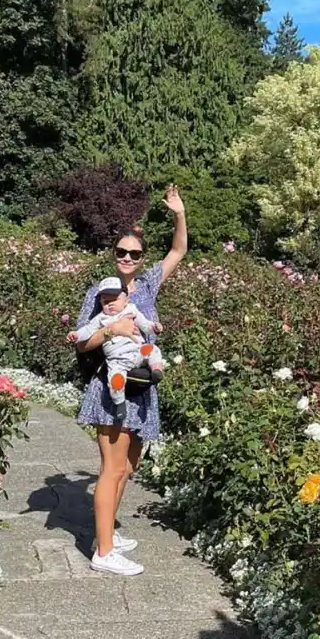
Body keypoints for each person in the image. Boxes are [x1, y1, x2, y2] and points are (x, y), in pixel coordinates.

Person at [74, 186, 187, 576]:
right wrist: (113, 330)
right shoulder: (100, 291)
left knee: (127, 468)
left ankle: (107, 533)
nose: (126, 258)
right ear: (113, 255)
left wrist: (179, 215)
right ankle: (103, 552)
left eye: (134, 253)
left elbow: (178, 252)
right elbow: (81, 340)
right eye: (121, 252)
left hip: (142, 386)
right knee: (112, 467)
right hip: (112, 387)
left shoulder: (150, 283)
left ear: (142, 258)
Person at [73, 277, 164, 410]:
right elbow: (86, 332)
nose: (110, 304)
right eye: (105, 301)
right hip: (117, 360)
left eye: (114, 300)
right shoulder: (100, 319)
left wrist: (154, 327)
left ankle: (156, 370)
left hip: (137, 351)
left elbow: (145, 325)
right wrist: (76, 335)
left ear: (126, 300)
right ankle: (120, 404)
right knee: (115, 380)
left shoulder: (131, 310)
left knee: (152, 350)